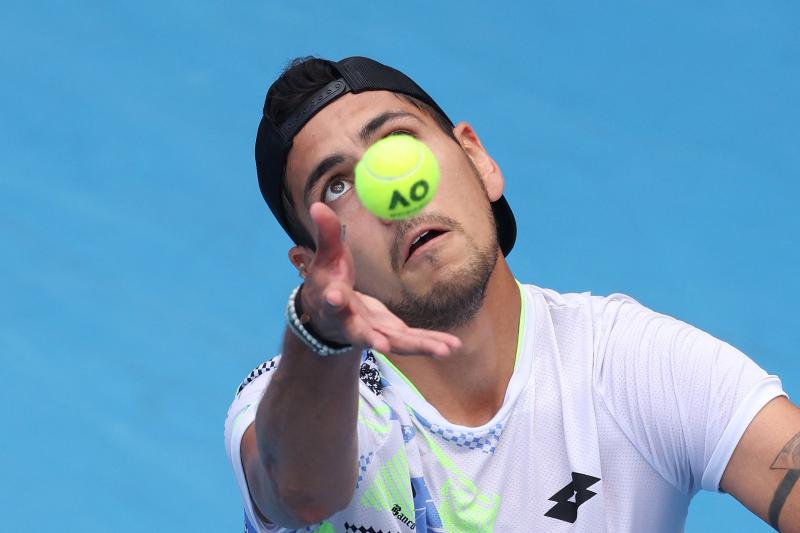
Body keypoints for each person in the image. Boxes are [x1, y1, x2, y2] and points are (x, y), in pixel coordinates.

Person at [224, 56, 800, 532]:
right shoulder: (283, 401)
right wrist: (320, 339)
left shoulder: (626, 364)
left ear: (476, 159)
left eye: (397, 141)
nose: (388, 192)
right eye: (338, 185)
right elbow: (296, 493)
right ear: (311, 266)